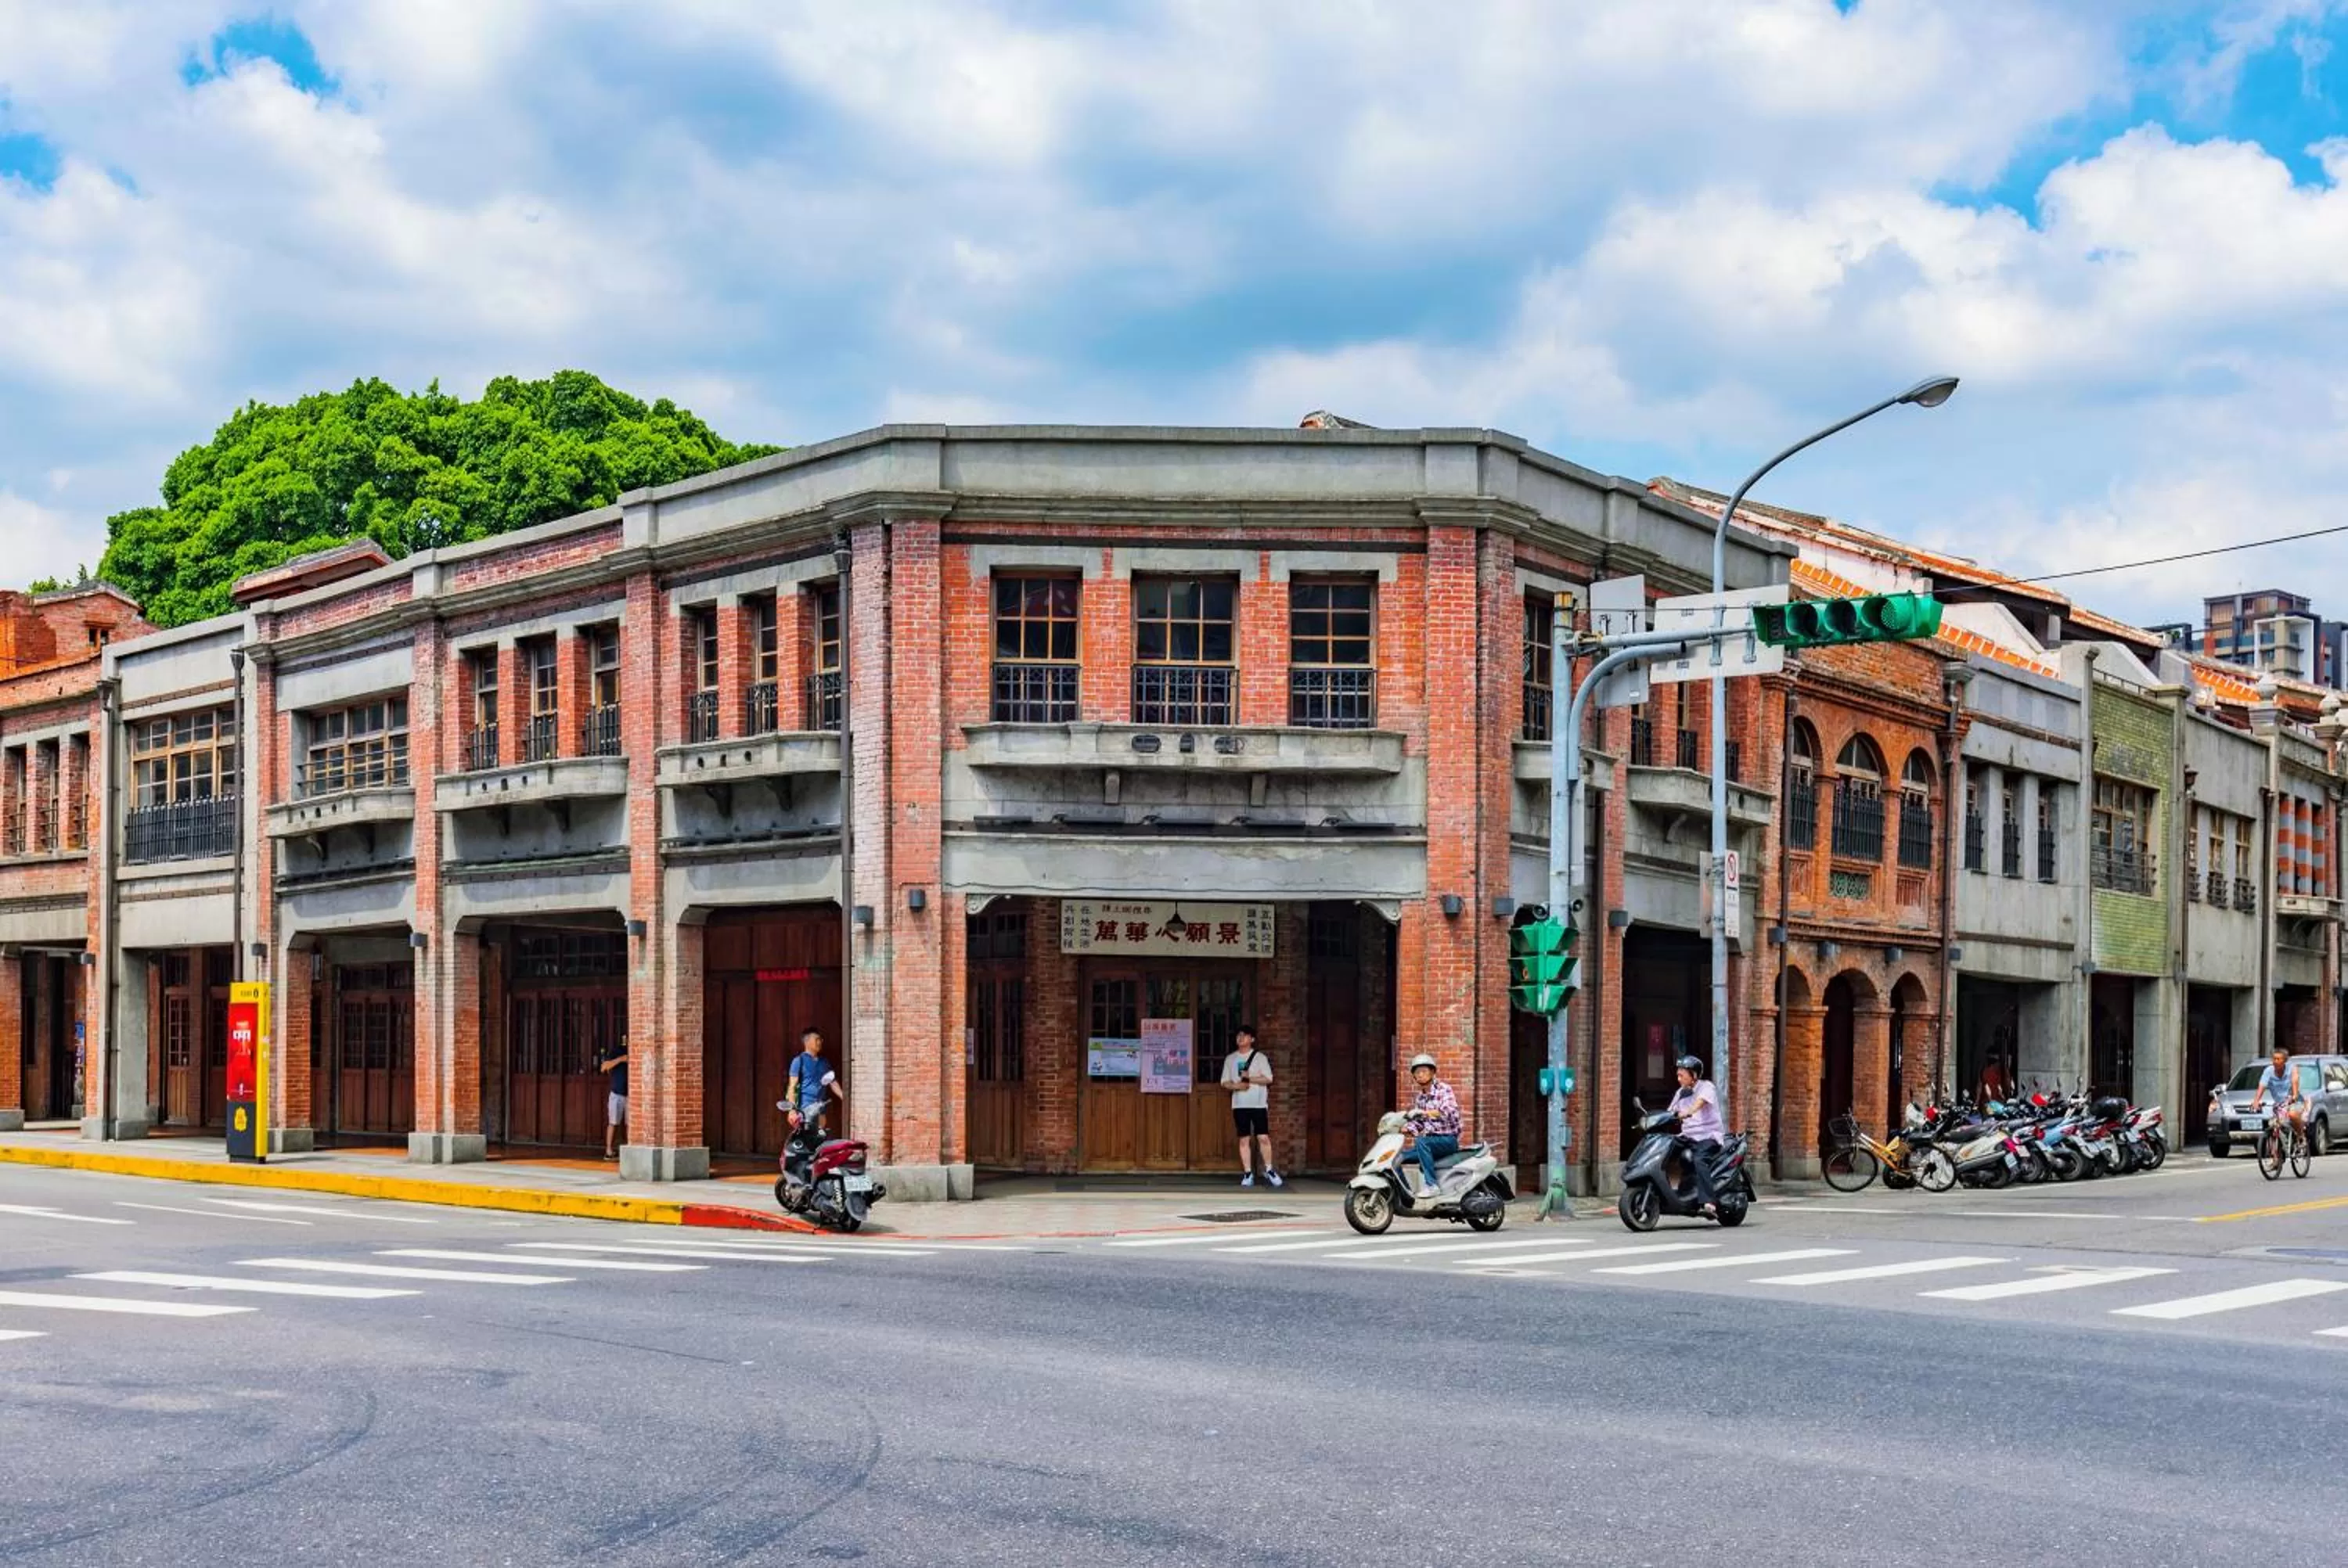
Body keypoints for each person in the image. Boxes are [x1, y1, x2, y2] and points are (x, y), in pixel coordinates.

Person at [1219, 1024, 1281, 1189]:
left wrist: (1250, 1079)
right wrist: (1236, 1087)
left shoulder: (1260, 1058)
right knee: (1244, 1139)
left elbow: (1269, 1079)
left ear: (1252, 1039)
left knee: (1263, 1137)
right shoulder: (1230, 1059)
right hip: (1239, 1105)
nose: (1241, 1039)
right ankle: (1248, 1173)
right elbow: (1224, 1082)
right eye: (1238, 1036)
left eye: (1245, 1036)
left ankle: (1269, 1169)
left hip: (1259, 1104)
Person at [1668, 1056, 1724, 1217]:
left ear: (1694, 1075)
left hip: (1708, 1136)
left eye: (1682, 1075)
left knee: (1699, 1159)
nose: (1678, 1079)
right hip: (1688, 1136)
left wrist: (1689, 1112)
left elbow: (1700, 1102)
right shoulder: (1680, 1093)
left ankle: (1709, 1201)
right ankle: (1675, 1193)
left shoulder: (1707, 1087)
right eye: (1678, 1075)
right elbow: (1670, 1112)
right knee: (1665, 1151)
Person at [1403, 1052, 1461, 1198]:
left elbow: (1449, 1111)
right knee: (1398, 1157)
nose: (1421, 1075)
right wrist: (1404, 1129)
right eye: (1417, 1073)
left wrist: (1425, 1113)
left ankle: (1432, 1186)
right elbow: (1418, 1124)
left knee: (1422, 1142)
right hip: (1429, 1143)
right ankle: (1405, 1192)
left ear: (1433, 1072)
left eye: (1424, 1071)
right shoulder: (1420, 1098)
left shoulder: (1444, 1090)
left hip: (1448, 1140)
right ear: (1414, 1077)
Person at [782, 1027, 844, 1136]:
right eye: (817, 1039)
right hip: (805, 1108)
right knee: (806, 1139)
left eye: (820, 1040)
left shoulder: (824, 1062)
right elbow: (792, 1087)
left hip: (821, 1107)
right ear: (807, 1042)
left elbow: (833, 1082)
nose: (820, 1042)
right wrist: (792, 1111)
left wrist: (844, 1096)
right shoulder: (799, 1061)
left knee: (819, 1138)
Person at [2250, 1048, 2307, 1152]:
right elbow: (2262, 1085)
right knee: (2274, 1125)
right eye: (2274, 1059)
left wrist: (2294, 1095)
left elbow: (2295, 1080)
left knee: (2293, 1114)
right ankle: (2276, 1158)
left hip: (2295, 1101)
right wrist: (2256, 1101)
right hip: (2280, 1104)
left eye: (2278, 1059)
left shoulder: (2292, 1068)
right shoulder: (2268, 1071)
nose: (2275, 1061)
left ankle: (2301, 1137)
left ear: (2285, 1061)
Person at [596, 1038, 629, 1160]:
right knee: (613, 1122)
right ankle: (609, 1151)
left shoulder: (637, 1049)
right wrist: (621, 1059)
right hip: (617, 1093)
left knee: (630, 1124)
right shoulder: (616, 1051)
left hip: (631, 1094)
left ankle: (630, 1149)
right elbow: (604, 1067)